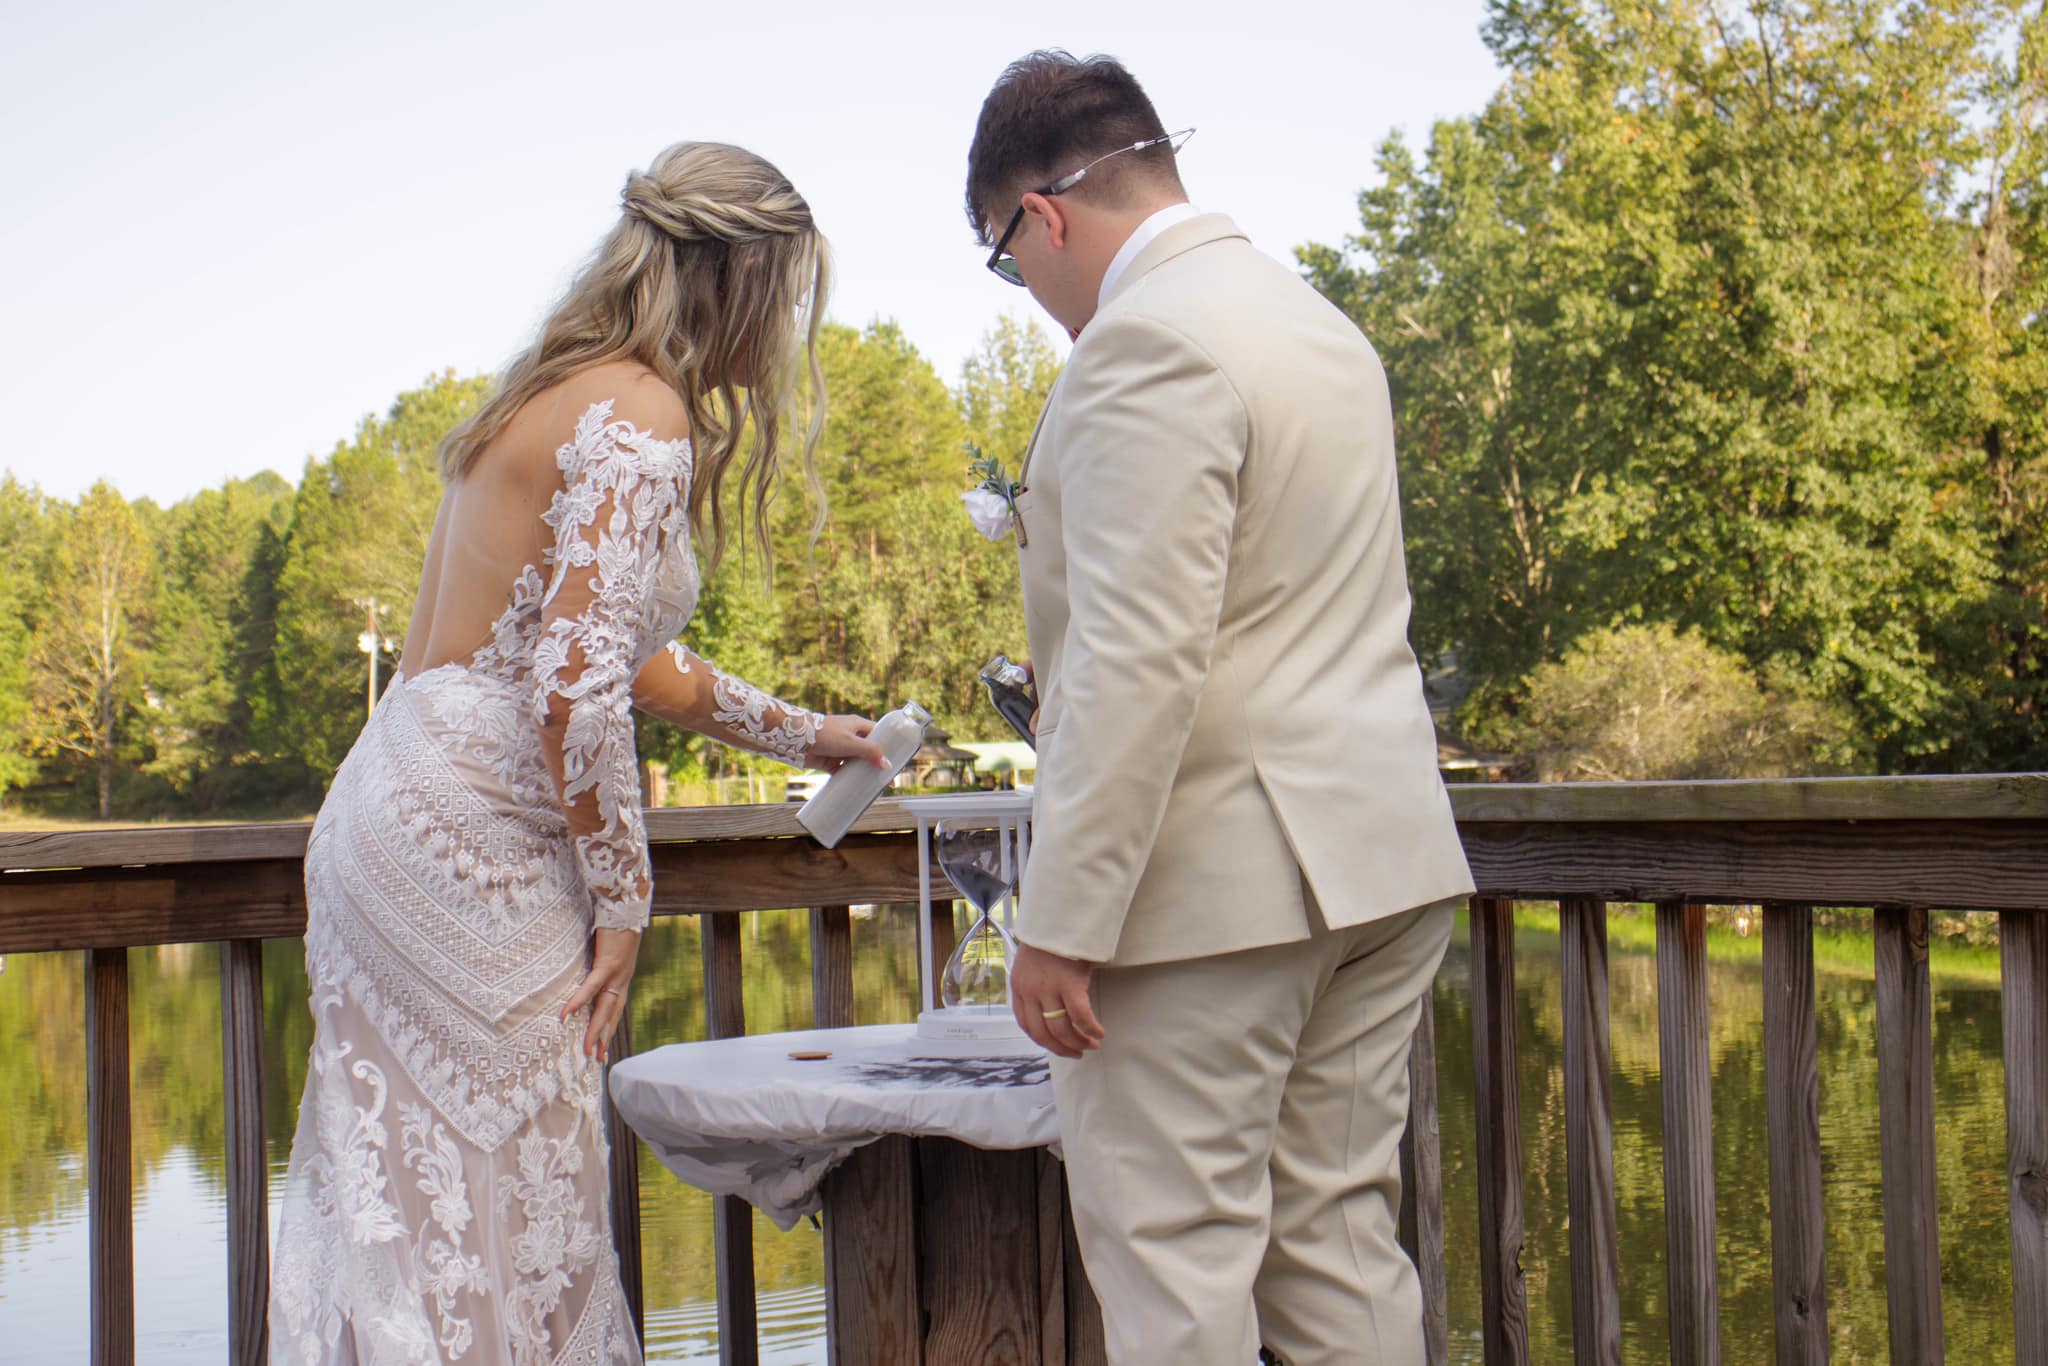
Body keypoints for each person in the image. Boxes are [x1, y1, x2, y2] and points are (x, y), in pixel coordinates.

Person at [268, 142, 884, 1363]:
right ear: (744, 281)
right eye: (790, 297)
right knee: (518, 1200)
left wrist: (809, 735)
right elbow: (572, 688)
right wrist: (624, 897)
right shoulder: (644, 412)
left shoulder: (555, 390)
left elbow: (623, 660)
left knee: (412, 1202)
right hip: (474, 844)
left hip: (387, 803)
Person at [967, 53, 1477, 1366]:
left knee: (1174, 1270)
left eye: (1004, 261)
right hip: (1382, 864)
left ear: (1044, 214)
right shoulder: (1318, 324)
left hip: (1210, 896)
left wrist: (1060, 918)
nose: (1029, 297)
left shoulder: (1144, 342)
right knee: (1339, 1252)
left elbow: (1138, 655)